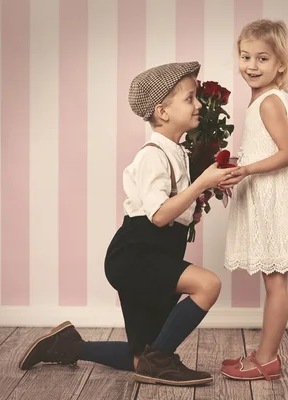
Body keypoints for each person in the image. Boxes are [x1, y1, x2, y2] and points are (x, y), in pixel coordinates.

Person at [18, 61, 239, 387]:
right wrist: (200, 183)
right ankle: (161, 361)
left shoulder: (177, 152)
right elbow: (159, 215)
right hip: (136, 256)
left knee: (141, 357)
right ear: (162, 111)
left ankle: (67, 346)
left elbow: (172, 210)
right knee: (208, 285)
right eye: (190, 98)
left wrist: (195, 203)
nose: (199, 105)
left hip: (155, 253)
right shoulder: (152, 155)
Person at [218, 20, 288, 381]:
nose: (251, 65)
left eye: (262, 58)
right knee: (272, 279)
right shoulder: (262, 100)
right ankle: (265, 352)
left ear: (281, 63)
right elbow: (267, 147)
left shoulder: (269, 103)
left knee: (276, 281)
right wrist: (240, 164)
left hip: (276, 197)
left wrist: (247, 170)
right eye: (246, 56)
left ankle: (267, 358)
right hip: (267, 196)